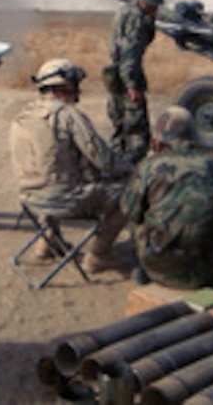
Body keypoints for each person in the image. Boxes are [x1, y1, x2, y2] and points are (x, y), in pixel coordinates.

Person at [10, 59, 132, 274]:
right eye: (75, 83)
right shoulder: (68, 115)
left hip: (30, 200)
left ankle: (46, 244)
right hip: (64, 200)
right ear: (63, 86)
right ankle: (99, 255)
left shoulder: (23, 116)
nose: (78, 89)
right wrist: (131, 169)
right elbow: (104, 160)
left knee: (54, 181)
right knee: (131, 192)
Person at [121, 106, 213, 290]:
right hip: (209, 270)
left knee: (137, 218)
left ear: (157, 141)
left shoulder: (149, 166)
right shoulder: (212, 164)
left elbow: (129, 210)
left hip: (160, 270)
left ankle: (142, 268)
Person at [106, 0, 163, 165]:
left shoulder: (124, 11)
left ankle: (114, 172)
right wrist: (132, 85)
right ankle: (131, 175)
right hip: (127, 79)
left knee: (120, 131)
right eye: (154, 6)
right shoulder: (137, 19)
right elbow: (130, 53)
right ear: (146, 3)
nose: (156, 9)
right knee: (138, 135)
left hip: (115, 77)